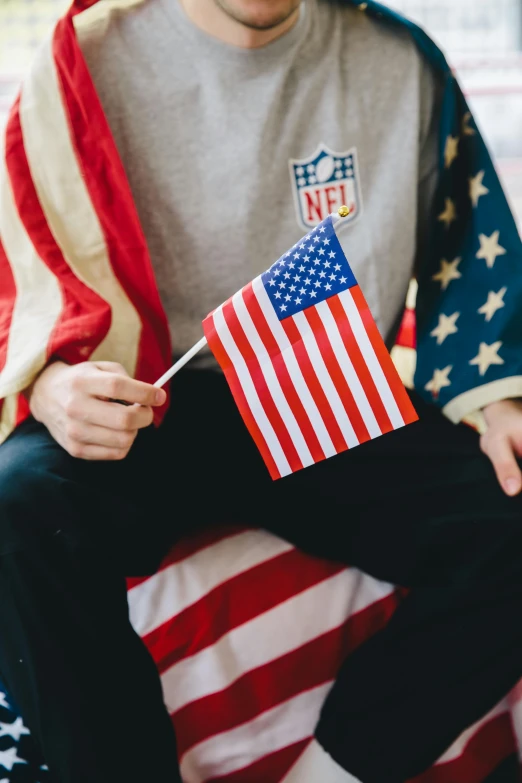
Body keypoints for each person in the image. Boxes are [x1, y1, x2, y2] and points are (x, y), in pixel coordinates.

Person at [0, 0, 521, 781]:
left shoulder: (400, 60)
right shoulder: (85, 56)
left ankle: (337, 769)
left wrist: (496, 398)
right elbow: (23, 285)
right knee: (17, 503)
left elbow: (463, 248)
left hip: (323, 388)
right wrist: (51, 387)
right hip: (152, 402)